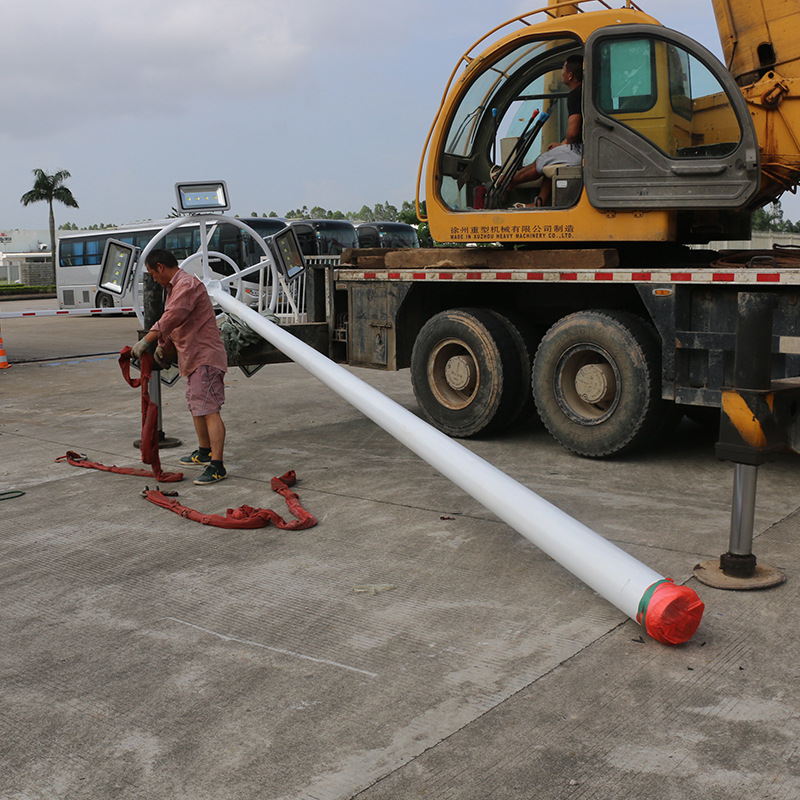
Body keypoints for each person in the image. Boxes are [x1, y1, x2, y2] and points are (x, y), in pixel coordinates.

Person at [131, 249, 229, 486]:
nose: (154, 279)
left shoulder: (186, 285)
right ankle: (204, 452)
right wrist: (163, 345)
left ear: (161, 267)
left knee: (209, 410)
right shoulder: (173, 289)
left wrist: (147, 340)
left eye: (153, 274)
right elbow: (176, 324)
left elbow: (173, 316)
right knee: (197, 406)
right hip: (192, 358)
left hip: (204, 357)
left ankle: (217, 466)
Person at [507, 55, 583, 206]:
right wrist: (562, 145)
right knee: (553, 158)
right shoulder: (586, 92)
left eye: (563, 69)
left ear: (570, 75)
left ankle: (508, 181)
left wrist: (565, 144)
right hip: (585, 150)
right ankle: (539, 202)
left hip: (581, 152)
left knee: (544, 159)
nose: (561, 73)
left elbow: (573, 133)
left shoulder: (575, 95)